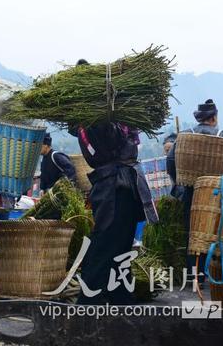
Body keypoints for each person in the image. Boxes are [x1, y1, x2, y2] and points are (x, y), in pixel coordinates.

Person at [70, 59, 158, 305]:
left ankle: (119, 297)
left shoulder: (111, 114)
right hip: (111, 186)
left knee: (120, 244)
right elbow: (110, 142)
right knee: (105, 243)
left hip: (122, 184)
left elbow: (126, 141)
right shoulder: (93, 119)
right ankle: (90, 302)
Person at [166, 99, 223, 276]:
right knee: (215, 231)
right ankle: (214, 273)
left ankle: (194, 275)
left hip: (190, 194)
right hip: (216, 195)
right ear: (213, 118)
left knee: (193, 233)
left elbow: (170, 161)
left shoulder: (184, 135)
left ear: (199, 118)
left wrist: (178, 182)